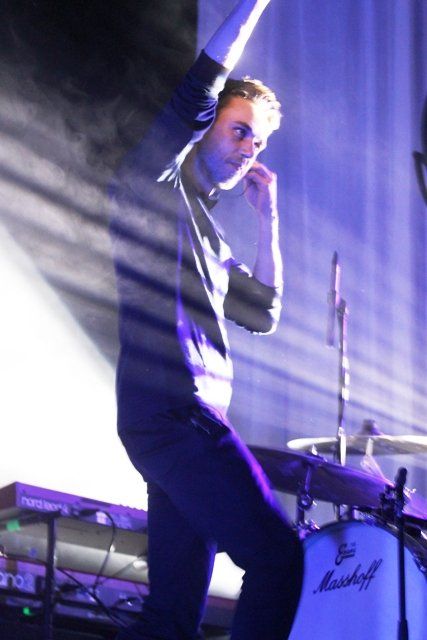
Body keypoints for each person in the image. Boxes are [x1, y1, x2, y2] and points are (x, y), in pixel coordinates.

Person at [109, 1, 304, 639]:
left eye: (260, 142)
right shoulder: (152, 186)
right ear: (204, 127)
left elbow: (264, 312)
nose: (250, 149)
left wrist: (268, 219)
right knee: (278, 559)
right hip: (177, 415)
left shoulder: (213, 241)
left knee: (169, 618)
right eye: (240, 130)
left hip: (179, 424)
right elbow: (201, 84)